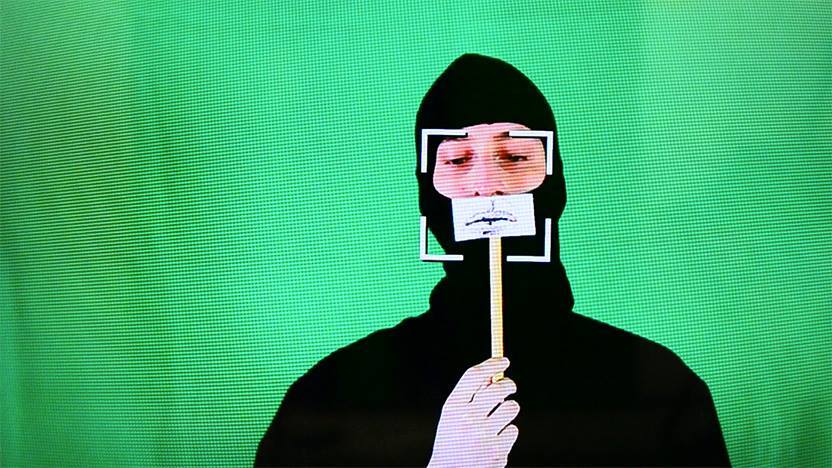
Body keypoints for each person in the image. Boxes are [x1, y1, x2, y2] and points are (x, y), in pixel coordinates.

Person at [254, 53, 731, 467]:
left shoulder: (660, 391)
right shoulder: (333, 398)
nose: (488, 186)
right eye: (458, 160)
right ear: (426, 190)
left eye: (515, 157)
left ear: (554, 180)